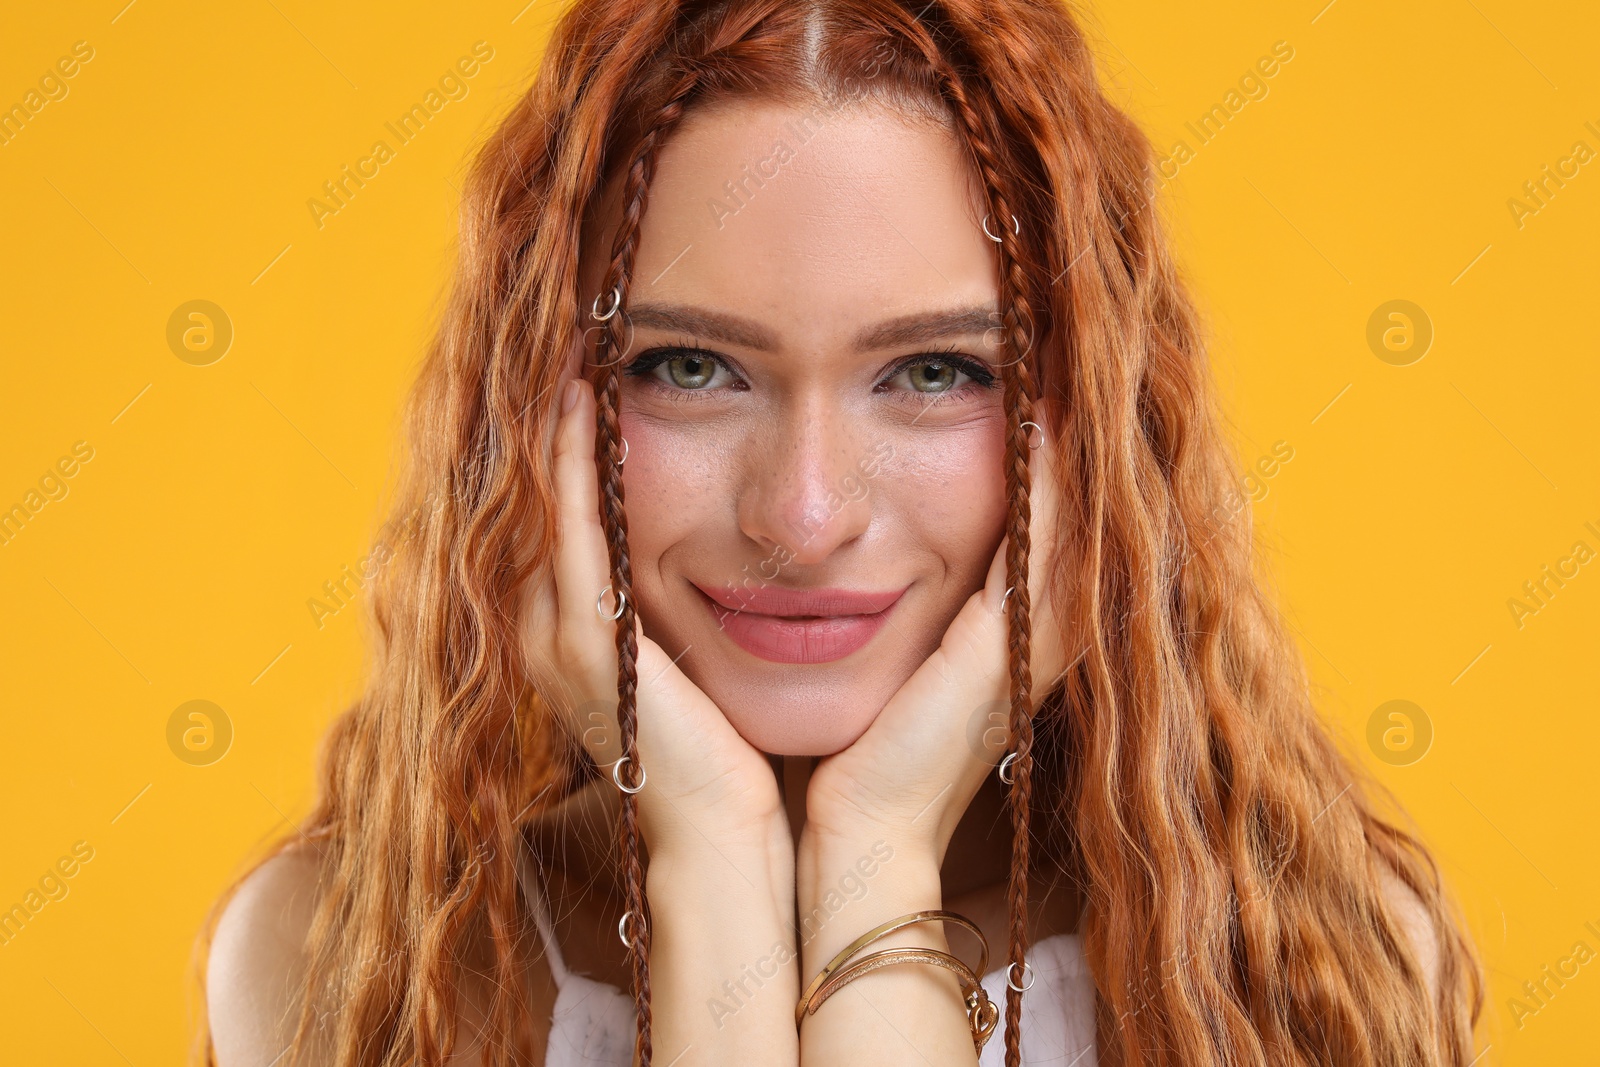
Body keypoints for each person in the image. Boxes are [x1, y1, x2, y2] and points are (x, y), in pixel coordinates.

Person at [197, 1, 1486, 1065]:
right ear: (532, 411)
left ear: (1098, 434)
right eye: (691, 368)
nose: (805, 518)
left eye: (934, 374)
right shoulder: (349, 971)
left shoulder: (1299, 979)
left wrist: (871, 862)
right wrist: (710, 855)